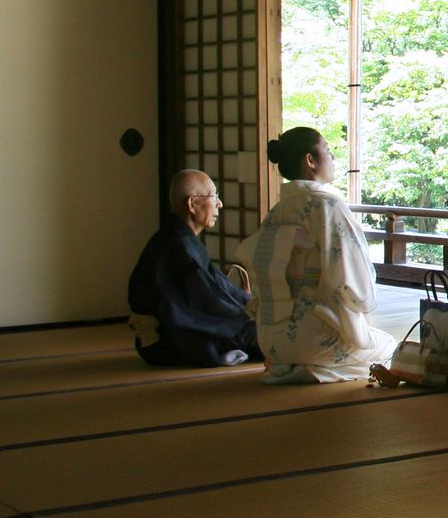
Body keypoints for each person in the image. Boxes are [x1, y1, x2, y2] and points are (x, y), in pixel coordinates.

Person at [237, 127, 396, 384]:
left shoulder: (277, 211)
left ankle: (290, 368)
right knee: (389, 347)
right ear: (310, 160)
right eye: (328, 150)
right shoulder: (328, 206)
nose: (332, 158)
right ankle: (313, 370)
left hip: (270, 341)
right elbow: (354, 282)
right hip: (314, 338)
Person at [128, 169, 262, 367]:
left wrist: (253, 306)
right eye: (214, 195)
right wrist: (250, 315)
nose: (220, 203)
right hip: (166, 344)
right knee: (269, 334)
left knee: (264, 326)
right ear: (192, 204)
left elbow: (218, 286)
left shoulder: (178, 239)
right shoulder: (178, 247)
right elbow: (209, 301)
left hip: (170, 337)